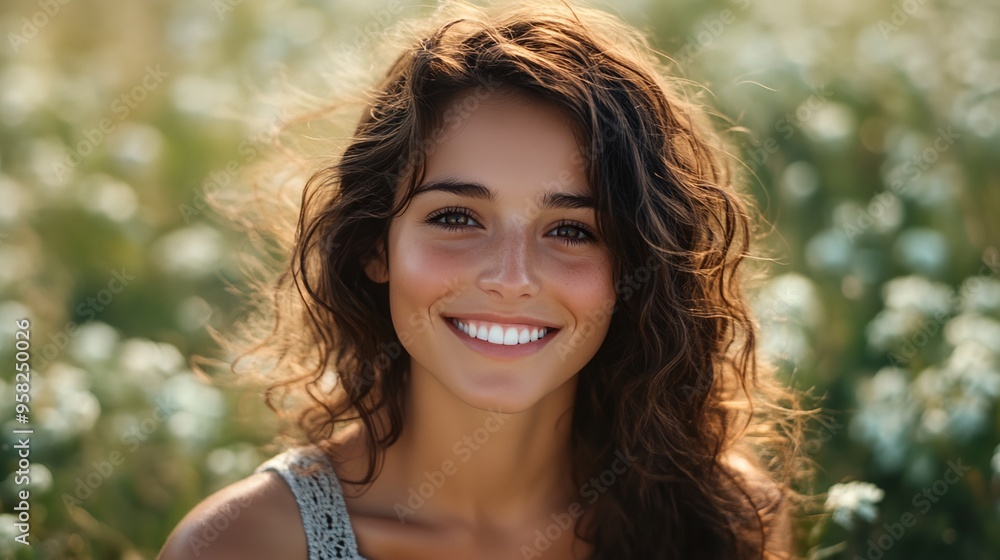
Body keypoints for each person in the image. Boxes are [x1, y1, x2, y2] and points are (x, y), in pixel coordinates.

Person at [159, 1, 808, 558]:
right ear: (374, 248)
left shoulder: (726, 521)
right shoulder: (242, 544)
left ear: (635, 265)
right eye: (457, 217)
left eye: (572, 230)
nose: (511, 277)